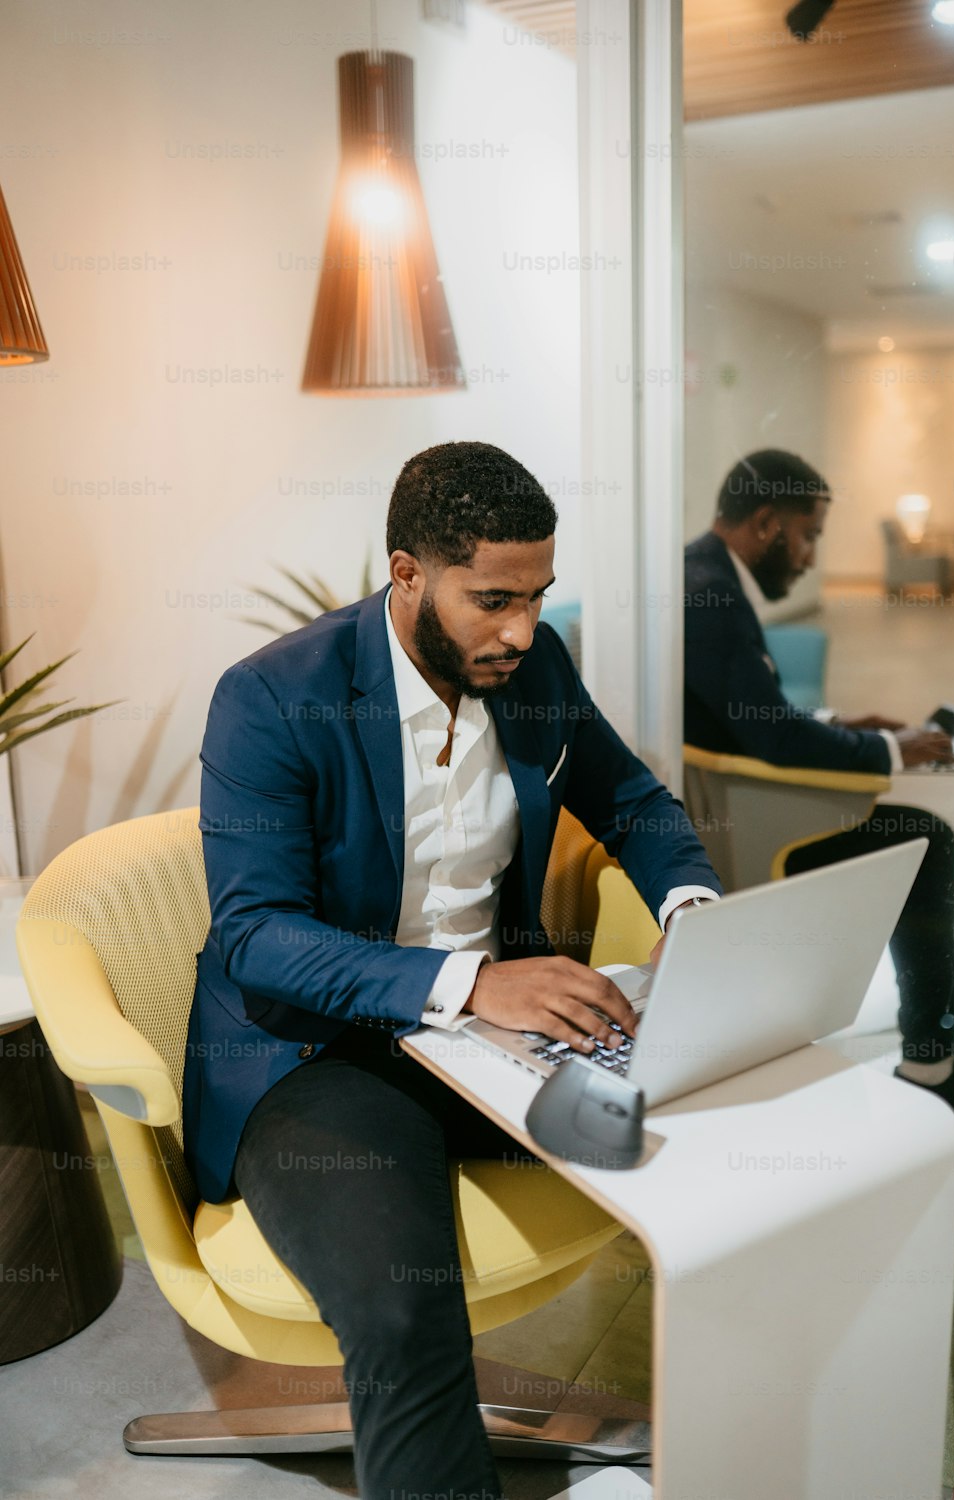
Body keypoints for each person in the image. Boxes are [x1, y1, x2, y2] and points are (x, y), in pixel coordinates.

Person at [183, 440, 722, 1500]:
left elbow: (632, 803)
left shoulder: (536, 669)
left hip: (492, 1041)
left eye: (539, 597)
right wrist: (467, 982)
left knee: (713, 1129)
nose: (522, 630)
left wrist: (690, 906)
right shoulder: (270, 697)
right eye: (492, 600)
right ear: (407, 572)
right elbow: (257, 934)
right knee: (398, 1307)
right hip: (317, 1051)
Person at [684, 448, 954, 1104]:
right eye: (809, 536)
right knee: (928, 843)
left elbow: (750, 713)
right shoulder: (709, 592)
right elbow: (772, 736)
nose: (811, 557)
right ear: (766, 523)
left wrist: (847, 722)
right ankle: (931, 1063)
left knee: (920, 836)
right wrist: (888, 751)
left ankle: (932, 1045)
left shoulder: (706, 573)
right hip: (754, 822)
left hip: (749, 794)